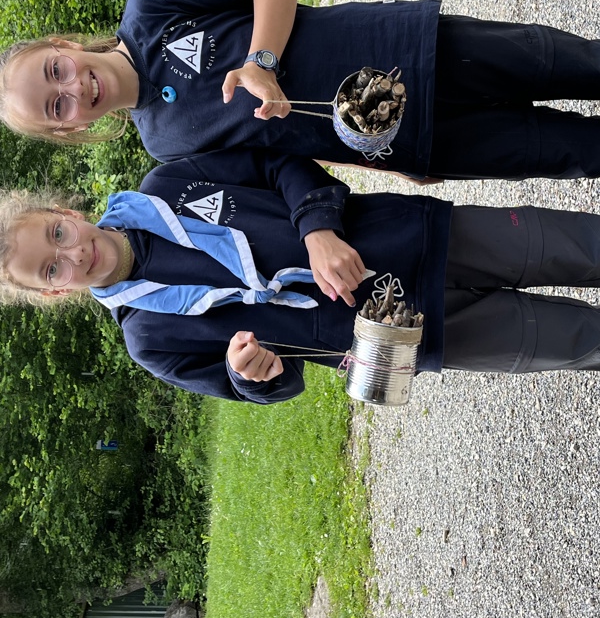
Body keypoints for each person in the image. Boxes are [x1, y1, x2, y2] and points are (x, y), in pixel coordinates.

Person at [1, 148, 600, 404]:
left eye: (58, 236)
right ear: (55, 291)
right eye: (53, 269)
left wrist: (317, 228)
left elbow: (277, 161)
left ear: (65, 214)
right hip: (401, 338)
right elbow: (270, 387)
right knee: (571, 342)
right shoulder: (151, 339)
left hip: (412, 238)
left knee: (575, 246)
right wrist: (253, 376)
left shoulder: (165, 186)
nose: (74, 255)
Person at [2, 0, 600, 179]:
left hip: (402, 47)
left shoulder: (151, 5)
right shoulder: (167, 145)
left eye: (56, 70)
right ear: (71, 129)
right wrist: (402, 170)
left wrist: (260, 61)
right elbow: (283, 161)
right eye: (59, 105)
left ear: (64, 46)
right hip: (399, 141)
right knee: (559, 151)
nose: (75, 87)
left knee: (561, 63)